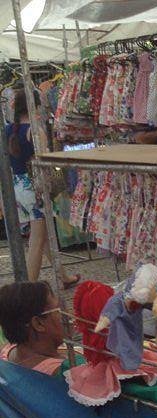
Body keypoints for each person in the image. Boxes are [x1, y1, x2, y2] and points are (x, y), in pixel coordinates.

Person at [6, 91, 79, 287]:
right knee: (37, 239)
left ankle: (63, 277)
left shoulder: (7, 130)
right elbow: (44, 161)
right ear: (35, 106)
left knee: (42, 236)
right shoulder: (35, 131)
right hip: (35, 188)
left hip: (18, 186)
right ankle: (28, 287)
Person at [0, 281, 68, 375]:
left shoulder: (7, 350)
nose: (68, 315)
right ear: (38, 324)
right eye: (58, 310)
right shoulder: (64, 373)